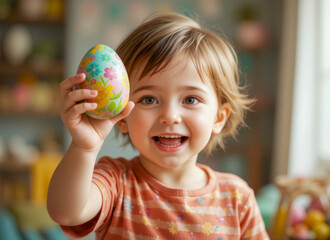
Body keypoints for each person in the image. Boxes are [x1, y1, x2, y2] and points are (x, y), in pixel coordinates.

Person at [47, 12, 269, 240]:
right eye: (149, 99)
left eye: (190, 99)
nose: (170, 116)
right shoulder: (115, 181)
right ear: (122, 116)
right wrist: (85, 147)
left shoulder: (237, 198)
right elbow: (66, 213)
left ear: (219, 117)